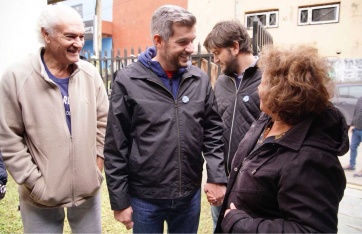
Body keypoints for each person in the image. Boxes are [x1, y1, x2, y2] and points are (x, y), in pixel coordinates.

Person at [104, 5, 227, 233]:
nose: (190, 49)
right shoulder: (127, 80)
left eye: (192, 40)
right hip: (145, 199)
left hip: (188, 196)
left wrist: (217, 176)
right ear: (159, 40)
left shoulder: (199, 80)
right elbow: (116, 145)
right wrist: (120, 201)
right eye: (182, 42)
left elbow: (213, 131)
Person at [215, 44, 349, 233]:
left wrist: (240, 225)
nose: (258, 88)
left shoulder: (311, 158)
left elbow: (312, 230)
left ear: (284, 93)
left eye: (264, 82)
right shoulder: (270, 118)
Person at [0, 4, 109, 233]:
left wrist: (96, 165)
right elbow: (8, 137)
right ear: (46, 34)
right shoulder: (16, 77)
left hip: (87, 189)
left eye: (81, 36)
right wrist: (35, 183)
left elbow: (104, 123)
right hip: (39, 196)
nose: (78, 43)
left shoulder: (90, 74)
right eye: (70, 36)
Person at [203, 20, 262, 228]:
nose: (215, 59)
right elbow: (212, 131)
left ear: (235, 47)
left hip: (254, 186)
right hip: (223, 183)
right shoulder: (221, 82)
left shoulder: (268, 79)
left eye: (217, 52)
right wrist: (216, 176)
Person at [343, 96, 362, 177]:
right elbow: (356, 112)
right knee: (353, 147)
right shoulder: (360, 98)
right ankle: (352, 165)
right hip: (356, 128)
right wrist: (352, 124)